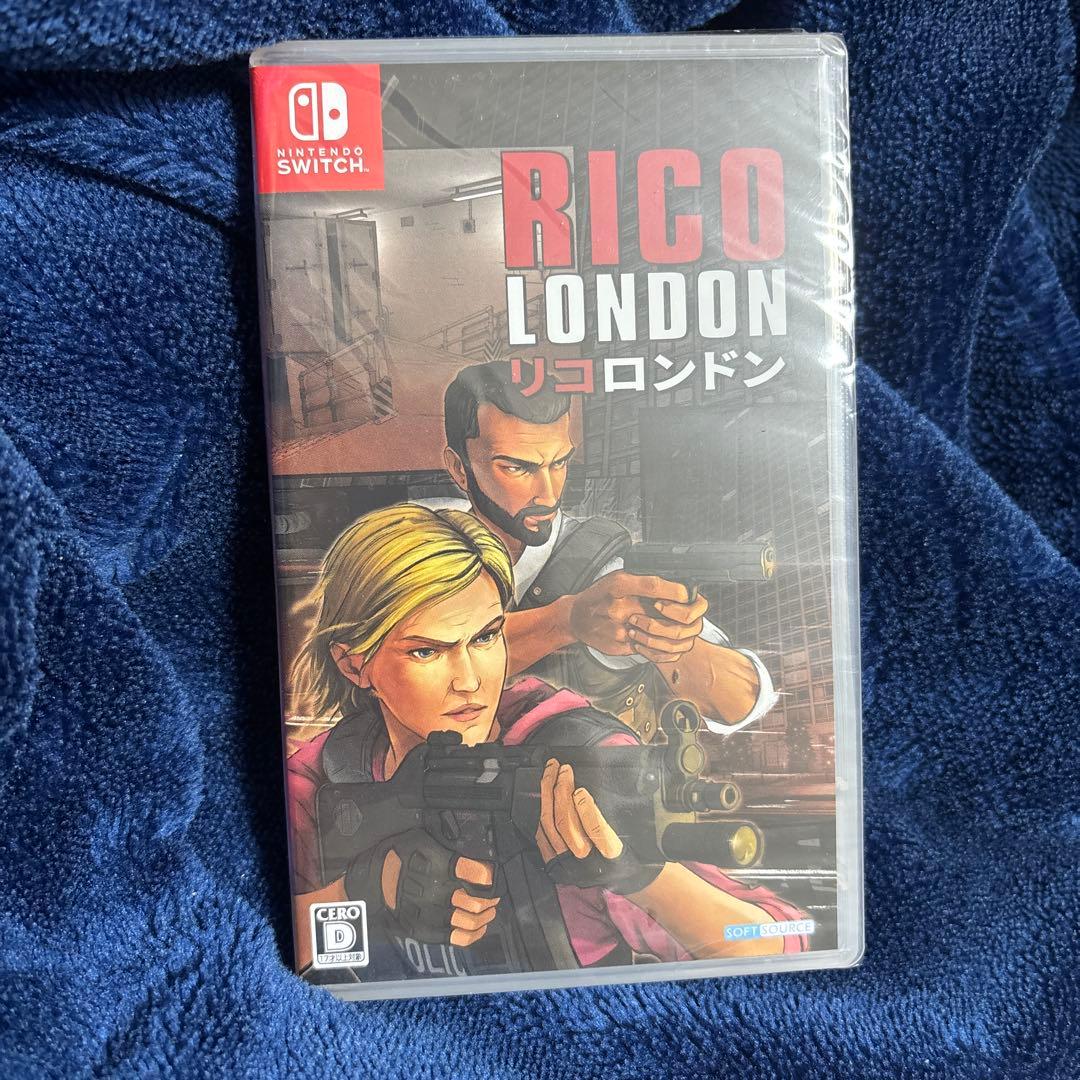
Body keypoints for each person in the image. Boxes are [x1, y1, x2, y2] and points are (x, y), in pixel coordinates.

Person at [286, 504, 807, 982]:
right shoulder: (329, 770)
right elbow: (270, 948)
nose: (469, 680)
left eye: (486, 637)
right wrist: (364, 890)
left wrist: (643, 879)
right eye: (427, 651)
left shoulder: (577, 752)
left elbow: (772, 946)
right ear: (354, 664)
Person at [432, 360, 777, 744]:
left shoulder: (599, 565)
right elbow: (408, 660)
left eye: (559, 463)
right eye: (517, 468)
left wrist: (671, 644)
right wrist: (566, 620)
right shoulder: (417, 540)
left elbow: (741, 702)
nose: (548, 493)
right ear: (459, 469)